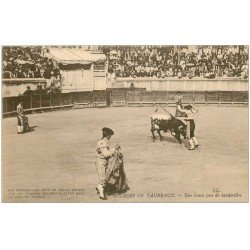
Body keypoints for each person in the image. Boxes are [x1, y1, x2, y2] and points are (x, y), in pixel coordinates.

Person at [96, 127, 120, 200]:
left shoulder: (104, 141)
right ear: (108, 135)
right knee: (103, 178)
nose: (110, 137)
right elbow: (106, 154)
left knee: (105, 177)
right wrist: (115, 149)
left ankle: (98, 187)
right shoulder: (102, 142)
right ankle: (102, 195)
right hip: (101, 163)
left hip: (104, 162)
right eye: (110, 135)